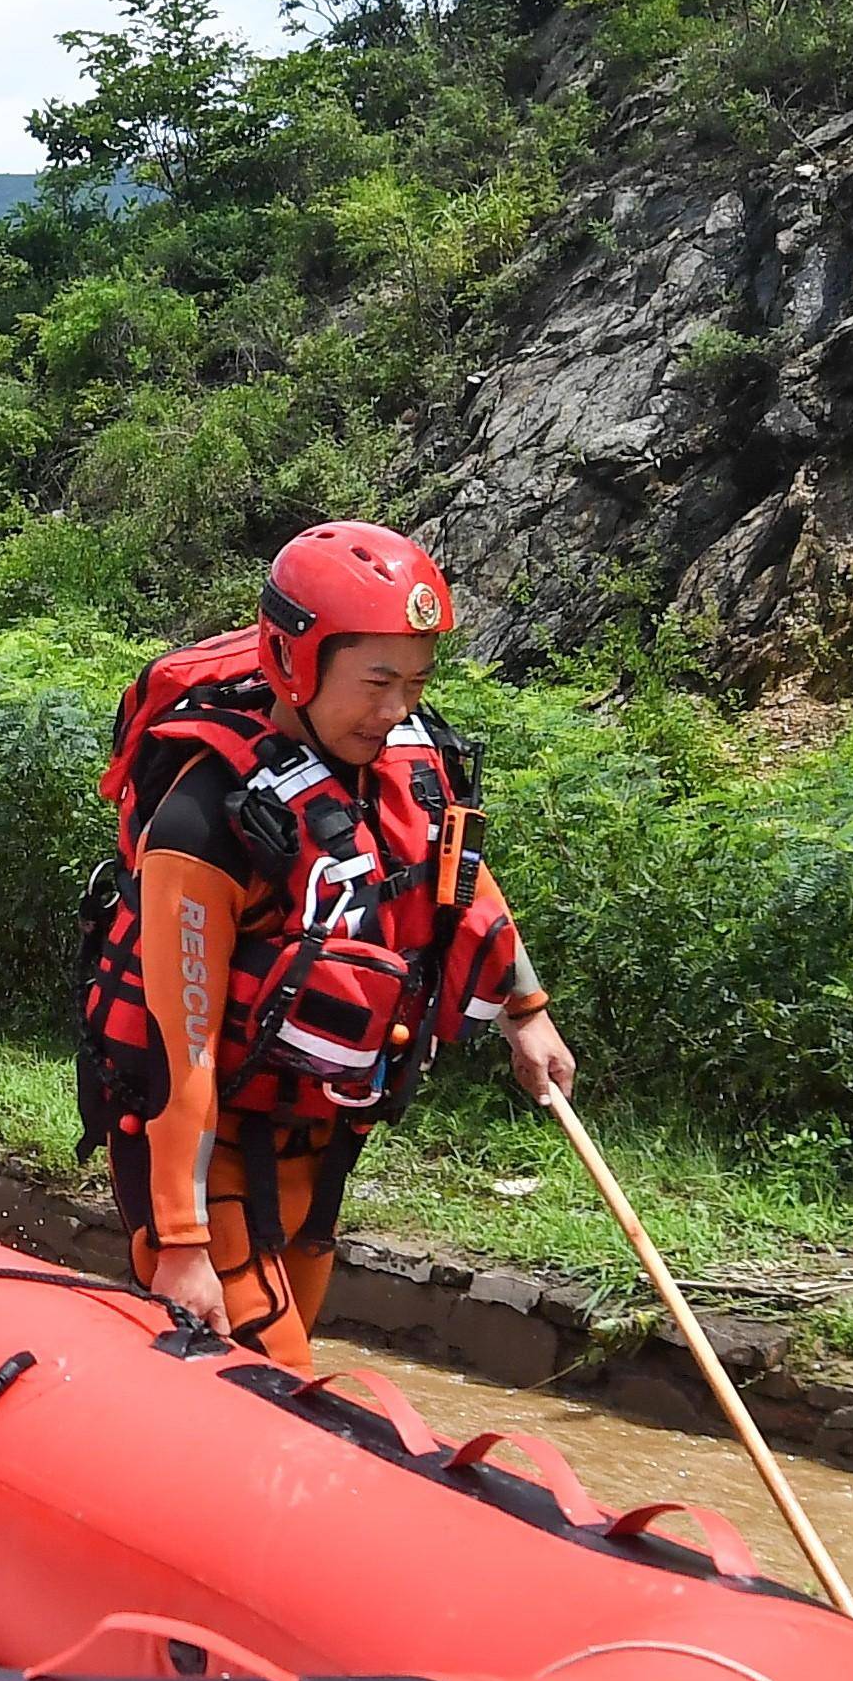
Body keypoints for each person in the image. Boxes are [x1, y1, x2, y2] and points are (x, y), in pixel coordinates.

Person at [76, 521, 576, 1368]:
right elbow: (180, 1045)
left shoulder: (406, 758)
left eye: (414, 681)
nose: (395, 709)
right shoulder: (205, 821)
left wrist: (525, 1011)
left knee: (291, 1343)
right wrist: (182, 1241)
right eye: (375, 680)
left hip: (319, 1134)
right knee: (269, 1374)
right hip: (202, 1140)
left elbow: (452, 878)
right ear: (291, 661)